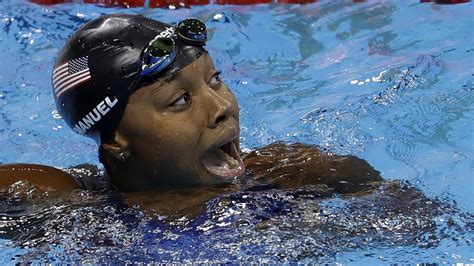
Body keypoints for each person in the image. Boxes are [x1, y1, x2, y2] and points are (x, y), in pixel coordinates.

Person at [0, 14, 382, 214]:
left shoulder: (291, 176)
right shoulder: (75, 206)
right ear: (117, 143)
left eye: (214, 80)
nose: (221, 108)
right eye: (180, 100)